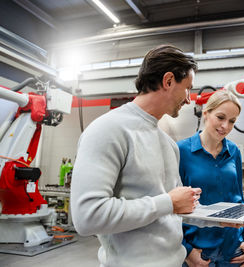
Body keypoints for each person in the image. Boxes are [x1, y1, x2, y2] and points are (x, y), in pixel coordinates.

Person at [70, 45, 202, 267]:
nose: (189, 99)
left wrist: (224, 221)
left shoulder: (169, 143)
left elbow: (172, 211)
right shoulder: (108, 130)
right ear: (168, 81)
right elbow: (88, 217)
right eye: (187, 88)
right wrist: (168, 202)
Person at [178, 90, 244, 267]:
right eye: (220, 117)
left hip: (232, 250)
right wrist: (187, 251)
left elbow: (239, 198)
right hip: (198, 252)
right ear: (206, 113)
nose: (225, 126)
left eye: (232, 121)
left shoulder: (233, 151)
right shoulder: (181, 150)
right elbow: (172, 208)